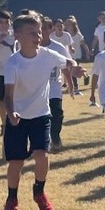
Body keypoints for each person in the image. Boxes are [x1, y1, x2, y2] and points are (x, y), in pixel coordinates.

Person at [2, 12, 73, 210]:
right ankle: (12, 197)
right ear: (17, 36)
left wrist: (75, 68)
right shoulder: (13, 63)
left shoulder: (47, 55)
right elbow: (8, 95)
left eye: (39, 31)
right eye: (32, 32)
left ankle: (39, 193)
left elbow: (67, 62)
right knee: (16, 162)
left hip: (41, 114)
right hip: (17, 117)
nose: (38, 36)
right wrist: (11, 112)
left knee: (42, 155)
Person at [41, 17, 71, 150]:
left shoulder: (58, 48)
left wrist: (70, 84)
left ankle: (55, 136)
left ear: (50, 29)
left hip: (54, 88)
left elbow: (65, 67)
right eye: (39, 28)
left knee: (57, 115)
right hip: (38, 89)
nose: (41, 31)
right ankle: (43, 142)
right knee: (41, 117)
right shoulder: (31, 47)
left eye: (44, 28)